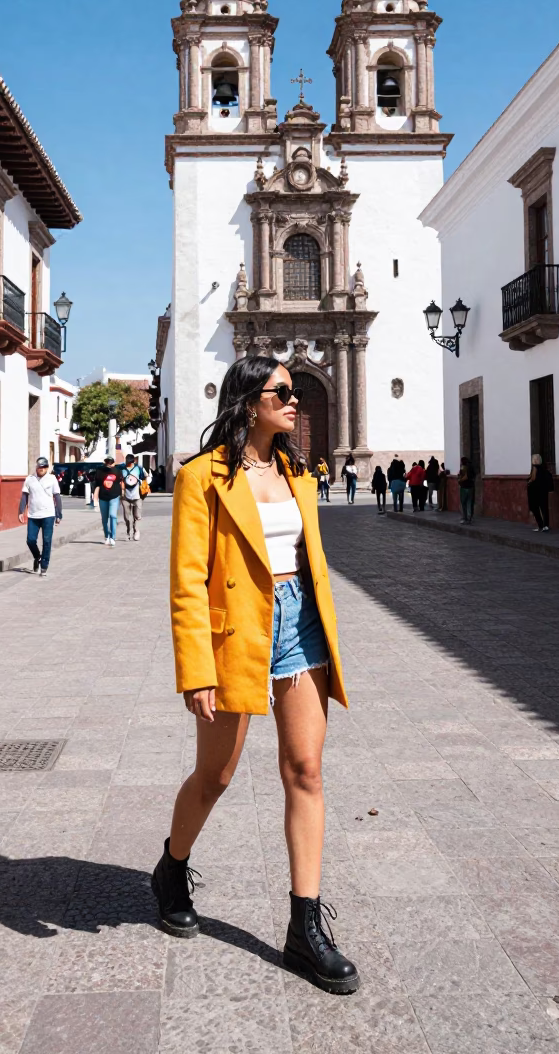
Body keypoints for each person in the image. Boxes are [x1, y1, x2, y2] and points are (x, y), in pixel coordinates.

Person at [151, 355, 360, 995]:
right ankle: (171, 867)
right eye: (282, 392)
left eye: (296, 392)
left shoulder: (299, 472)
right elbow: (187, 581)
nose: (294, 401)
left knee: (306, 770)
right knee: (215, 776)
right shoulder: (201, 477)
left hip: (300, 625)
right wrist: (196, 669)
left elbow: (308, 559)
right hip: (236, 631)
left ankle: (305, 926)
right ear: (248, 401)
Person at [18, 457, 62, 577]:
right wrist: (21, 511)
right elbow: (24, 496)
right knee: (30, 540)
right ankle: (37, 556)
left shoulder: (52, 479)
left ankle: (44, 566)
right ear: (36, 467)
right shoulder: (29, 479)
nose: (42, 469)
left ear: (47, 468)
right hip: (33, 515)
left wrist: (59, 514)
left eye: (44, 467)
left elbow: (57, 496)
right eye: (40, 467)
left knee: (47, 541)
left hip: (48, 515)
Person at [93, 455, 122, 545]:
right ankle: (107, 536)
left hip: (114, 496)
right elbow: (97, 484)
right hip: (103, 496)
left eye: (111, 462)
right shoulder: (99, 471)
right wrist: (95, 498)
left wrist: (122, 494)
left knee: (113, 515)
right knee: (104, 518)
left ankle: (113, 537)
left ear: (113, 463)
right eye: (107, 462)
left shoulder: (117, 471)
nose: (109, 464)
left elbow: (121, 482)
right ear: (104, 462)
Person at [119, 453, 148, 541]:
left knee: (137, 515)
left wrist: (144, 484)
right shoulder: (122, 469)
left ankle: (136, 531)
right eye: (127, 462)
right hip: (125, 496)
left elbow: (145, 477)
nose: (129, 463)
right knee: (127, 517)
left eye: (130, 462)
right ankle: (128, 532)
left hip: (137, 495)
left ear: (133, 461)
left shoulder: (139, 468)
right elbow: (119, 479)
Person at [527, 453, 554, 531]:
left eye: (536, 459)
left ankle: (542, 525)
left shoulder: (536, 469)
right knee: (543, 508)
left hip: (536, 493)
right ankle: (544, 526)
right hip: (541, 493)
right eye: (535, 459)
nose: (535, 460)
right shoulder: (542, 469)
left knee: (538, 509)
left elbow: (533, 481)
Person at [458, 456, 476, 523]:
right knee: (469, 503)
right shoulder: (470, 466)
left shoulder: (466, 467)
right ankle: (468, 517)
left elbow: (466, 476)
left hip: (465, 487)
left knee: (465, 503)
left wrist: (460, 480)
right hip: (470, 487)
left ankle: (467, 518)